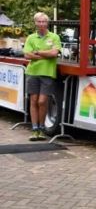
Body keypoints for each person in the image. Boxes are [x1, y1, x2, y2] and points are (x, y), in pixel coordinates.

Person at [23, 12, 61, 141]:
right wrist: (46, 54)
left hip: (48, 73)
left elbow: (54, 53)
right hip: (32, 72)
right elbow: (27, 55)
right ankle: (35, 130)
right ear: (35, 23)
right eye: (39, 22)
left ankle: (41, 127)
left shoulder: (54, 37)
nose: (41, 24)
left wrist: (38, 52)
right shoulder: (30, 37)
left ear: (47, 23)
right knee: (33, 101)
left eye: (43, 22)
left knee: (42, 101)